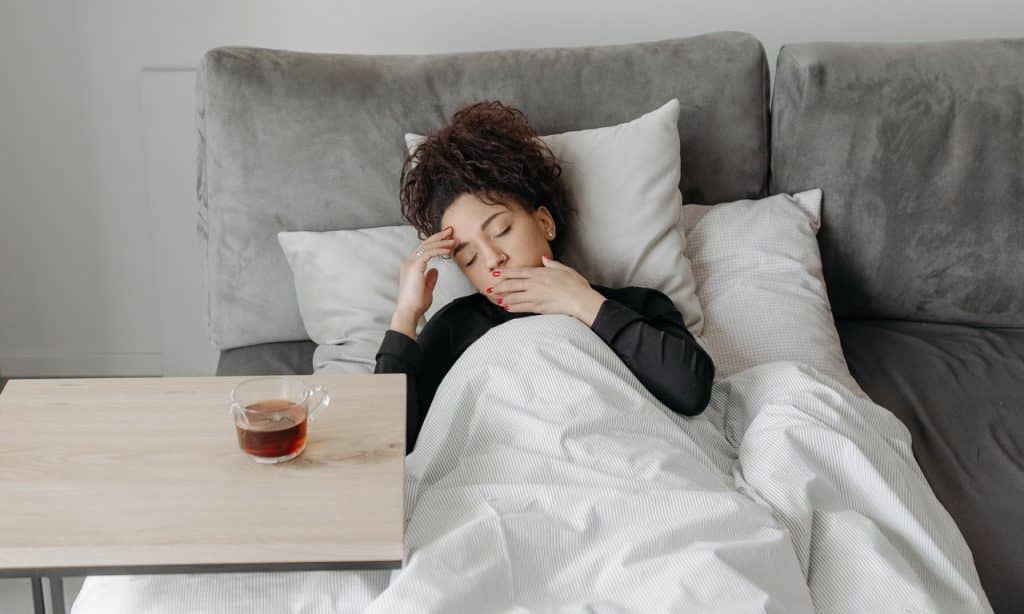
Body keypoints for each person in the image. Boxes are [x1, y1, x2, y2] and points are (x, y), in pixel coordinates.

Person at [375, 100, 716, 454]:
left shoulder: (633, 305)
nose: (493, 259)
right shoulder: (455, 327)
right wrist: (405, 315)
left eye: (502, 230)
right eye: (470, 257)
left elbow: (690, 392)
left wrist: (584, 304)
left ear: (544, 222)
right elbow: (387, 444)